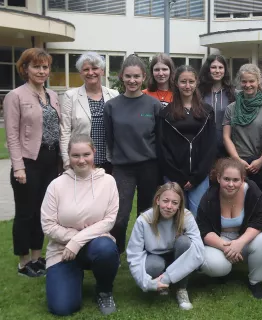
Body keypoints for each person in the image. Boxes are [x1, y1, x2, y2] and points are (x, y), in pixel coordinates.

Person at [41, 134, 119, 316]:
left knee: (106, 248)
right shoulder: (56, 185)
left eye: (86, 154)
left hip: (96, 245)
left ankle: (104, 290)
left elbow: (109, 220)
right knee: (62, 308)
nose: (81, 160)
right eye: (76, 155)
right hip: (63, 250)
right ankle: (73, 274)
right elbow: (48, 225)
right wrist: (73, 240)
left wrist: (78, 241)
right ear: (68, 155)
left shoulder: (108, 182)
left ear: (94, 153)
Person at [4, 48, 61, 277]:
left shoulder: (53, 95)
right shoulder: (15, 96)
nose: (41, 71)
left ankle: (37, 258)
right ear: (25, 69)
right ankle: (23, 261)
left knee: (43, 211)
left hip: (50, 161)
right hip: (28, 163)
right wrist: (18, 166)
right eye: (36, 66)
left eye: (45, 66)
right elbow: (11, 134)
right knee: (26, 213)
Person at [104, 54, 163, 254]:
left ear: (144, 77)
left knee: (146, 212)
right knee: (120, 215)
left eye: (136, 76)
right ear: (121, 77)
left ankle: (143, 248)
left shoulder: (153, 105)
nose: (132, 81)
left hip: (149, 166)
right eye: (128, 76)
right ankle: (117, 248)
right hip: (123, 167)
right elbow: (109, 138)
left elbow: (160, 138)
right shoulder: (111, 106)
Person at [197, 158, 262, 299]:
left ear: (242, 180)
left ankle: (255, 281)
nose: (231, 184)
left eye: (235, 180)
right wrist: (227, 248)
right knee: (215, 265)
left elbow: (261, 220)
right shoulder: (209, 197)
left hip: (244, 238)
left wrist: (239, 243)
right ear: (218, 178)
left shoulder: (252, 190)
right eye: (226, 179)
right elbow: (203, 230)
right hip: (220, 241)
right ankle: (223, 271)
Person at [127, 182, 204, 310]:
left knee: (185, 243)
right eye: (165, 201)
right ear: (157, 200)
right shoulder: (144, 220)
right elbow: (134, 255)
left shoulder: (187, 217)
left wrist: (167, 278)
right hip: (155, 256)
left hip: (177, 254)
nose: (169, 206)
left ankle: (181, 288)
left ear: (179, 205)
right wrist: (146, 283)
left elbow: (199, 250)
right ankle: (159, 285)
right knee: (153, 266)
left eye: (174, 203)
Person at [158, 65, 216, 217]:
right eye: (183, 81)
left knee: (198, 216)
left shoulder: (207, 112)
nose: (187, 85)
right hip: (174, 175)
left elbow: (210, 146)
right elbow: (162, 147)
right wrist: (178, 177)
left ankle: (197, 242)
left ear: (197, 82)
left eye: (191, 81)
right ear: (176, 83)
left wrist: (197, 176)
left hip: (200, 176)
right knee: (173, 215)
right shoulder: (165, 114)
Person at [60, 52, 119, 174]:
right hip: (81, 162)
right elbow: (65, 131)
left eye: (95, 68)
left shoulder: (114, 95)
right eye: (86, 69)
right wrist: (67, 161)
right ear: (81, 73)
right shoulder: (70, 96)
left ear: (102, 71)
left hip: (109, 161)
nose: (91, 72)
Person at [223, 63, 262, 207]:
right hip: (238, 164)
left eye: (252, 81)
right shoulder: (231, 108)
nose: (248, 85)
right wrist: (237, 159)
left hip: (261, 163)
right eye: (244, 81)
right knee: (237, 206)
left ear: (258, 82)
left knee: (260, 206)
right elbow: (226, 137)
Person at [198, 55, 235, 158]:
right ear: (208, 69)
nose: (217, 71)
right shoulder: (198, 92)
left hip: (227, 148)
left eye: (220, 67)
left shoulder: (233, 93)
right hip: (203, 147)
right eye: (214, 67)